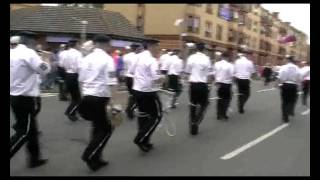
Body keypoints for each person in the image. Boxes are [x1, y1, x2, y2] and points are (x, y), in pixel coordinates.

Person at [10, 31, 50, 168]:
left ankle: (34, 159)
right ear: (32, 42)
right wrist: (45, 58)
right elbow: (44, 69)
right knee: (24, 131)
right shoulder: (29, 53)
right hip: (25, 98)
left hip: (14, 95)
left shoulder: (12, 52)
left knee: (32, 130)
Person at [77, 34, 117, 171]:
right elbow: (112, 83)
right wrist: (115, 103)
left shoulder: (86, 59)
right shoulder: (108, 59)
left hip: (87, 96)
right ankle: (90, 154)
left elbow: (81, 80)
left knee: (97, 127)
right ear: (106, 44)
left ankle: (96, 158)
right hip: (100, 97)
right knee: (107, 129)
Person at [129, 39, 163, 152]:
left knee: (143, 115)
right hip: (148, 92)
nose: (159, 49)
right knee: (157, 116)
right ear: (151, 46)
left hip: (137, 90)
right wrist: (163, 79)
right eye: (157, 46)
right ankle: (140, 138)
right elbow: (157, 78)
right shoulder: (152, 60)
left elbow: (131, 72)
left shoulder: (137, 57)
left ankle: (145, 141)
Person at [184, 42, 213, 135]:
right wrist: (209, 85)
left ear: (196, 48)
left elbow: (187, 72)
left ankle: (192, 124)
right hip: (202, 85)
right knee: (205, 104)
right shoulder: (206, 59)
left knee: (193, 104)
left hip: (193, 84)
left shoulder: (191, 58)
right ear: (204, 49)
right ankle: (196, 120)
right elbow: (209, 75)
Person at [60, 39, 83, 121]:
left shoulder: (64, 53)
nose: (79, 46)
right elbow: (80, 66)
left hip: (67, 74)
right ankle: (70, 112)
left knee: (74, 97)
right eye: (79, 44)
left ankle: (73, 114)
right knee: (78, 99)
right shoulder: (78, 54)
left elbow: (61, 64)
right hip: (74, 75)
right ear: (76, 44)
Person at [278, 56, 302, 122]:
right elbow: (299, 78)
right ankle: (288, 111)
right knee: (292, 100)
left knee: (284, 101)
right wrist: (298, 86)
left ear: (288, 60)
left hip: (285, 84)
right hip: (293, 85)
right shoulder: (297, 68)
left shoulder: (284, 67)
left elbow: (281, 76)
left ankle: (284, 115)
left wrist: (280, 84)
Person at [213, 50, 234, 120]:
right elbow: (232, 75)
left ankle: (218, 115)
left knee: (220, 99)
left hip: (218, 84)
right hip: (226, 84)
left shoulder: (216, 64)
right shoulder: (230, 65)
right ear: (228, 57)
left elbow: (214, 74)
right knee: (226, 99)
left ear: (222, 56)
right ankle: (224, 114)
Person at [123, 43, 142, 119]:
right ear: (137, 48)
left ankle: (129, 109)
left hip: (127, 77)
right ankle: (129, 110)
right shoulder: (138, 57)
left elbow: (125, 68)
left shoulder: (126, 56)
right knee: (136, 95)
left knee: (132, 95)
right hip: (135, 78)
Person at [233, 50, 255, 114]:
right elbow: (252, 72)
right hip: (245, 80)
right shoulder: (249, 62)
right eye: (251, 56)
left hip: (238, 79)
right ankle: (241, 105)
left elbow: (234, 70)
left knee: (240, 93)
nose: (251, 57)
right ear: (248, 55)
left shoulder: (237, 61)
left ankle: (240, 104)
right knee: (247, 94)